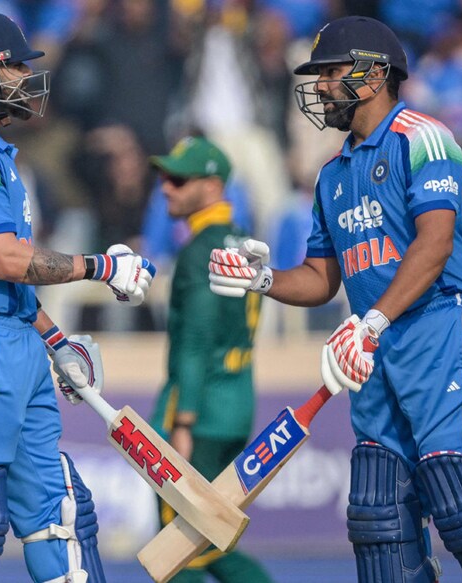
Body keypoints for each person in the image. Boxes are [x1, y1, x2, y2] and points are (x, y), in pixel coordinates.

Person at [208, 16, 462, 583]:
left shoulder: (423, 138)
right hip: (372, 348)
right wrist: (261, 279)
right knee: (379, 517)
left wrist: (373, 322)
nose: (319, 86)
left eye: (330, 72)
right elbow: (321, 278)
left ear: (373, 74)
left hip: (438, 328)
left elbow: (434, 245)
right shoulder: (330, 175)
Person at [0, 12, 156, 583]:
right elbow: (7, 260)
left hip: (15, 341)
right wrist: (101, 266)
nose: (27, 78)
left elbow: (8, 280)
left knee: (59, 514)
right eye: (16, 67)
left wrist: (54, 339)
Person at [147, 137, 271, 583]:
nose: (166, 187)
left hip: (197, 415)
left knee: (179, 550)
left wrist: (182, 421)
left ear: (213, 186)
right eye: (165, 177)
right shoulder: (244, 243)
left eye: (179, 180)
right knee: (210, 542)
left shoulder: (200, 251)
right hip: (235, 407)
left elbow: (196, 342)